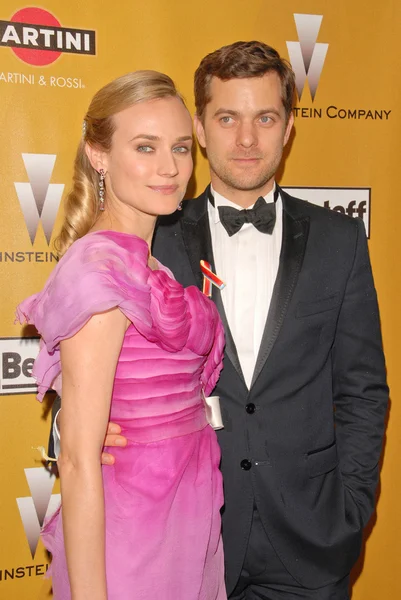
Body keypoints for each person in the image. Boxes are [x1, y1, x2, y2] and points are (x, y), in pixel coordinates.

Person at [51, 42, 388, 599]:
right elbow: (85, 356)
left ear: (290, 127)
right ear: (201, 130)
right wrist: (73, 428)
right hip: (185, 534)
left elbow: (363, 391)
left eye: (266, 117)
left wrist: (351, 509)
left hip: (312, 539)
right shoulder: (149, 230)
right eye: (227, 118)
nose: (248, 139)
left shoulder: (340, 240)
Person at [17, 70, 227, 600]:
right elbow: (79, 460)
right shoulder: (101, 269)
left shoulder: (148, 261)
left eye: (181, 147)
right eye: (145, 146)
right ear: (99, 154)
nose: (170, 167)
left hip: (185, 513)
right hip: (132, 533)